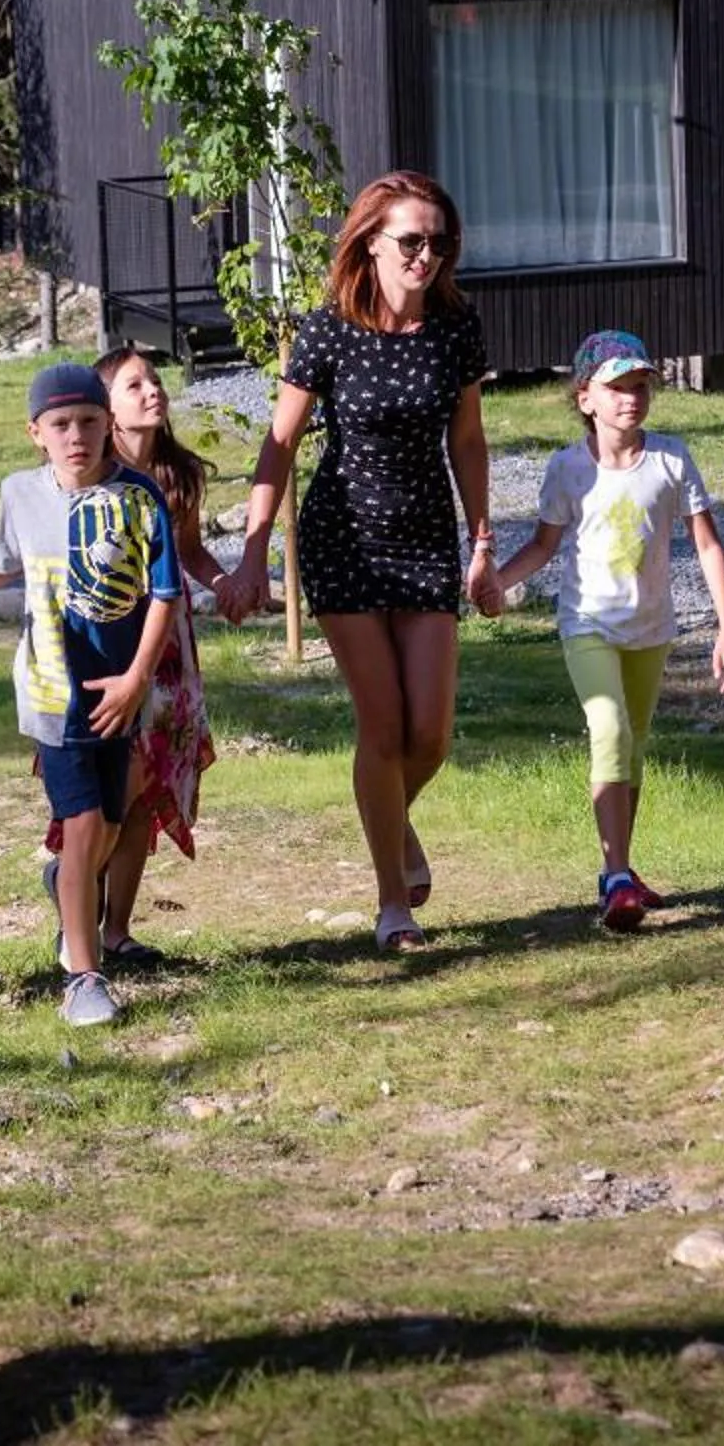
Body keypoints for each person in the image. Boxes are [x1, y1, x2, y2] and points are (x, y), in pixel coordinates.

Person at [218, 170, 499, 953]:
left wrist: (482, 540)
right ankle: (391, 904)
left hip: (425, 543)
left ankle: (391, 819)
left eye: (440, 243)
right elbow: (278, 448)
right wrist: (252, 555)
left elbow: (468, 441)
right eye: (412, 241)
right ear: (371, 241)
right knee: (383, 726)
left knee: (432, 732)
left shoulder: (457, 328)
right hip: (345, 541)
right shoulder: (328, 330)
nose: (427, 256)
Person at [0, 363, 183, 1027]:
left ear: (109, 426)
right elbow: (1, 564)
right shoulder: (19, 493)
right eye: (61, 425)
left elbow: (164, 596)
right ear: (36, 432)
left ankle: (67, 890)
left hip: (120, 694)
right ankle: (84, 978)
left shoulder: (141, 498)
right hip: (50, 693)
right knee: (85, 825)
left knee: (115, 820)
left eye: (90, 422)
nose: (77, 437)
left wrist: (136, 680)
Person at [492, 330, 724, 932]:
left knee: (631, 747)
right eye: (617, 387)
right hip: (588, 626)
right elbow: (543, 544)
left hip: (651, 628)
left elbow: (707, 545)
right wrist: (496, 582)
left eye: (641, 386)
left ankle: (625, 869)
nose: (632, 398)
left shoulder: (671, 459)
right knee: (608, 729)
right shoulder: (567, 470)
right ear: (586, 399)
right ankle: (615, 877)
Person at [35, 345, 224, 969]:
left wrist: (225, 583)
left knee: (147, 787)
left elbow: (187, 556)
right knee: (113, 784)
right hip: (103, 651)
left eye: (156, 382)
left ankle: (115, 930)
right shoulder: (80, 479)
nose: (153, 392)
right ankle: (77, 904)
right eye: (134, 384)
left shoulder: (177, 475)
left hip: (167, 653)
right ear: (103, 409)